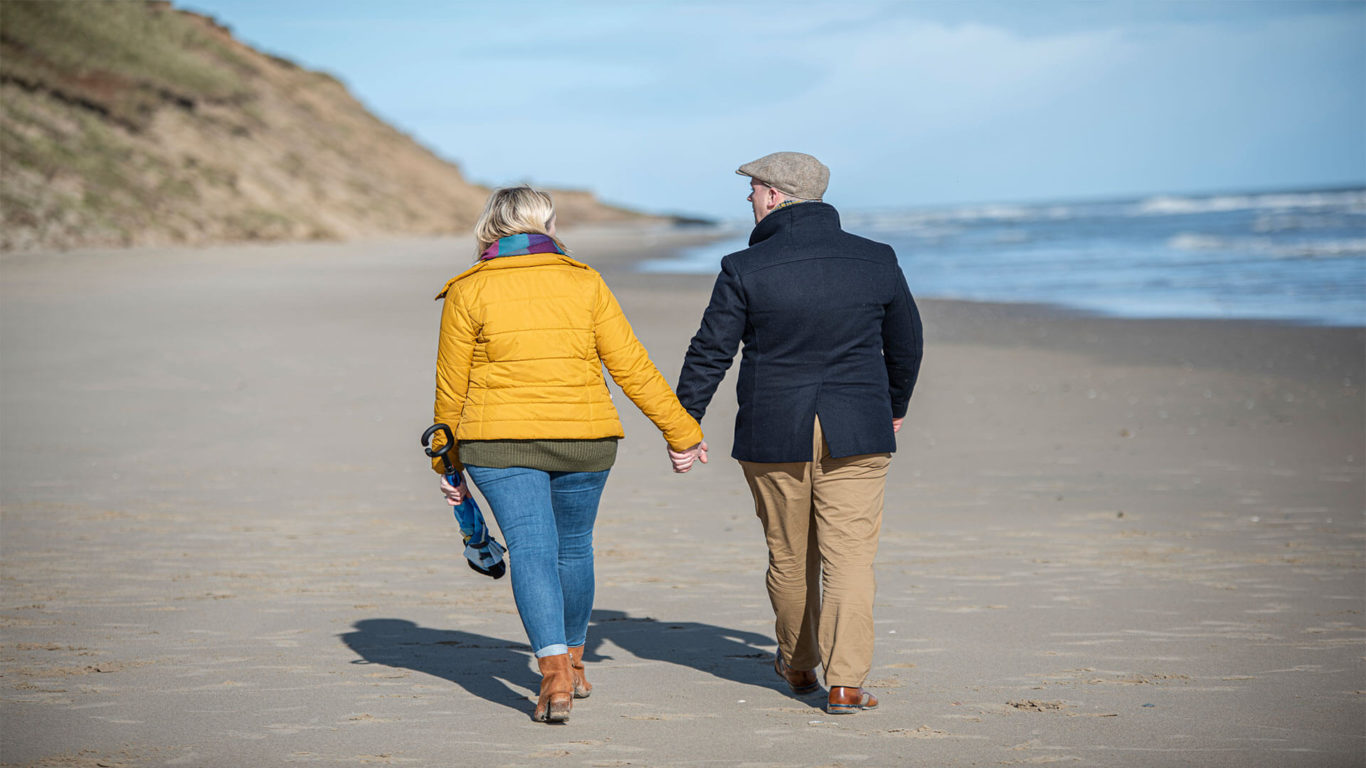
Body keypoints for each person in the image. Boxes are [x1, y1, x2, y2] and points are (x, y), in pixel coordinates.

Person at [429, 186, 704, 723]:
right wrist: (682, 433)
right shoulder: (585, 281)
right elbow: (631, 365)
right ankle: (574, 664)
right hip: (585, 438)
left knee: (531, 549)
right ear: (547, 226)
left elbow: (450, 389)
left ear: (491, 227)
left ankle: (553, 674)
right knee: (573, 548)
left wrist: (446, 464)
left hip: (497, 441)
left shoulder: (468, 288)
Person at [670, 152, 923, 715]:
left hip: (773, 428)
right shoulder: (876, 258)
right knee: (849, 557)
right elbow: (907, 342)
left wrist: (684, 425)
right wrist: (894, 404)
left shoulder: (743, 266)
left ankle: (801, 663)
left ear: (775, 196)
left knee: (789, 555)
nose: (750, 201)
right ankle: (846, 683)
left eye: (754, 191)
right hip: (858, 426)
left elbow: (710, 351)